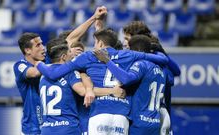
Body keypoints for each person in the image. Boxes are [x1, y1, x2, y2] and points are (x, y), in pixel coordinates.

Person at [36, 29, 168, 135]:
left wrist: (39, 64)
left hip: (99, 112)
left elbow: (53, 73)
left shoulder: (88, 56)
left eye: (94, 43)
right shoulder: (128, 55)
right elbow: (162, 60)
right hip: (121, 115)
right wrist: (157, 49)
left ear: (99, 43)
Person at [40, 39, 126, 135]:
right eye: (69, 52)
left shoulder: (43, 75)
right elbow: (83, 91)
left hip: (46, 129)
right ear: (63, 57)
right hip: (67, 128)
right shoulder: (70, 73)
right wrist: (112, 91)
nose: (72, 55)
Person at [94, 35, 167, 135]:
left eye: (129, 49)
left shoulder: (142, 64)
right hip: (155, 123)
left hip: (139, 123)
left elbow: (126, 79)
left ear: (135, 50)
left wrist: (107, 61)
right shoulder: (161, 71)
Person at [13, 32, 46, 135]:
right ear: (27, 50)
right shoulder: (20, 65)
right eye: (38, 45)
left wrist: (93, 18)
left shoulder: (46, 60)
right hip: (32, 128)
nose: (43, 48)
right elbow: (35, 73)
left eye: (42, 43)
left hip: (50, 126)